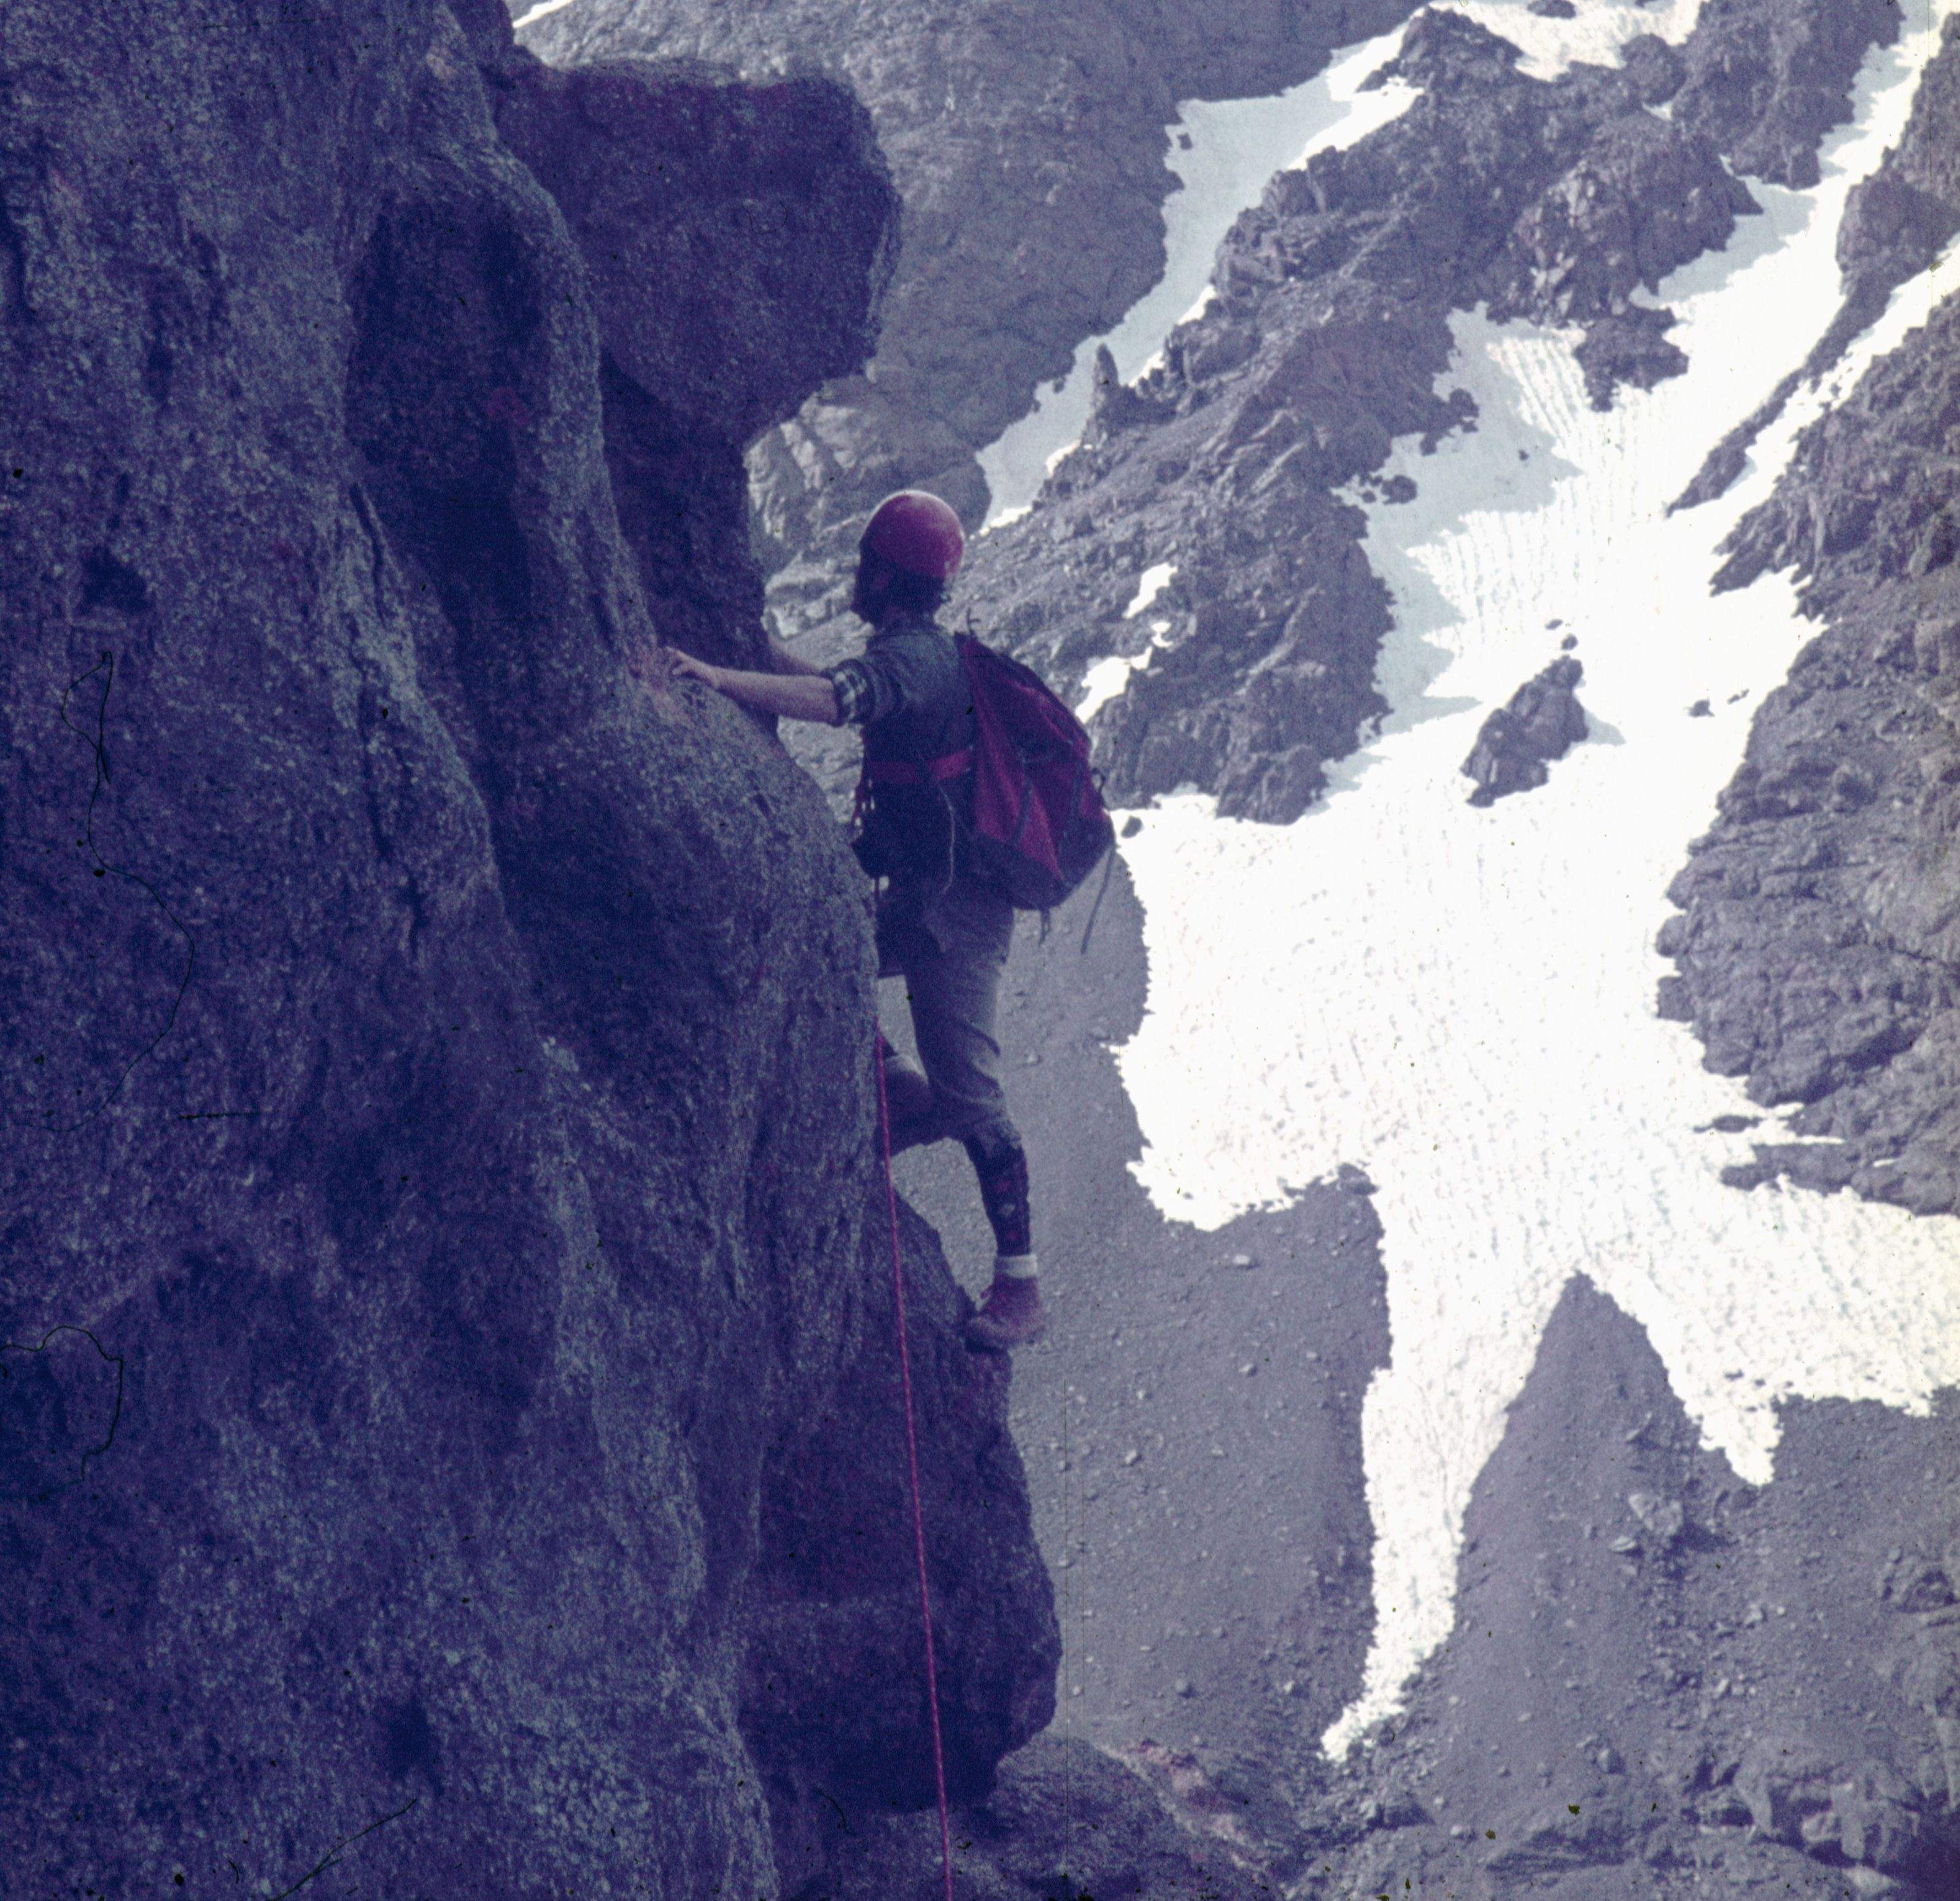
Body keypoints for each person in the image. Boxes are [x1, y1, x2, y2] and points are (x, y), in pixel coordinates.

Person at [667, 490, 1045, 1352]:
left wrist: (723, 677)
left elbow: (844, 699)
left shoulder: (912, 659)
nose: (854, 577)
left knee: (973, 1099)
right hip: (920, 896)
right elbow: (857, 691)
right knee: (816, 945)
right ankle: (897, 1088)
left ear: (884, 573)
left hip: (954, 916)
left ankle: (1022, 1288)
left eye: (864, 564)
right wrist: (754, 647)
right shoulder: (917, 654)